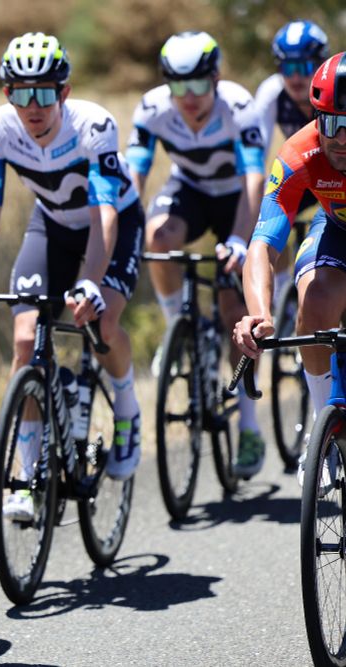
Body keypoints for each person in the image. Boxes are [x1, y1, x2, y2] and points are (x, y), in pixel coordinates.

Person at [0, 32, 144, 519]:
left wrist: (90, 282)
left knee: (102, 324)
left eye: (44, 92)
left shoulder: (94, 126)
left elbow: (104, 214)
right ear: (8, 95)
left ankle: (128, 414)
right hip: (50, 226)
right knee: (25, 341)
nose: (32, 105)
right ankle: (25, 478)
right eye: (20, 93)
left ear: (63, 92)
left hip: (112, 224)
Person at [127, 30, 267, 478]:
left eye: (198, 86)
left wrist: (242, 240)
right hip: (189, 191)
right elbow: (135, 177)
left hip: (235, 201)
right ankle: (177, 326)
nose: (188, 98)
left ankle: (248, 424)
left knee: (234, 314)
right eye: (178, 86)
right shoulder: (152, 109)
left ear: (216, 78)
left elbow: (253, 184)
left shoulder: (239, 106)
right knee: (157, 238)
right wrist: (126, 234)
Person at [233, 52, 346, 487]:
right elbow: (262, 245)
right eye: (330, 123)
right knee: (314, 302)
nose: (340, 139)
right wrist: (258, 314)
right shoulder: (300, 152)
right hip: (335, 230)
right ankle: (324, 429)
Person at [254, 20, 330, 297]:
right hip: (301, 173)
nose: (296, 78)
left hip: (335, 178)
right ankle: (282, 291)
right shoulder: (271, 92)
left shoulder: (335, 89)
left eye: (304, 67)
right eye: (288, 68)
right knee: (265, 212)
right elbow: (257, 152)